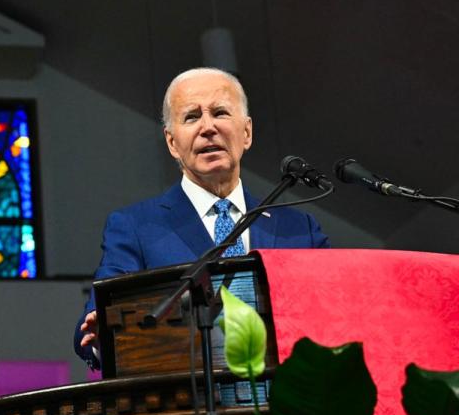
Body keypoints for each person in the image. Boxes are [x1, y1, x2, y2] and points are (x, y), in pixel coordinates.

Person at [75, 67, 329, 369]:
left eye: (220, 112)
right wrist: (103, 341)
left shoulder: (299, 230)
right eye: (191, 117)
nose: (208, 127)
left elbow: (334, 314)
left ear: (246, 132)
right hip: (186, 405)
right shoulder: (135, 228)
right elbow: (98, 319)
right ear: (172, 143)